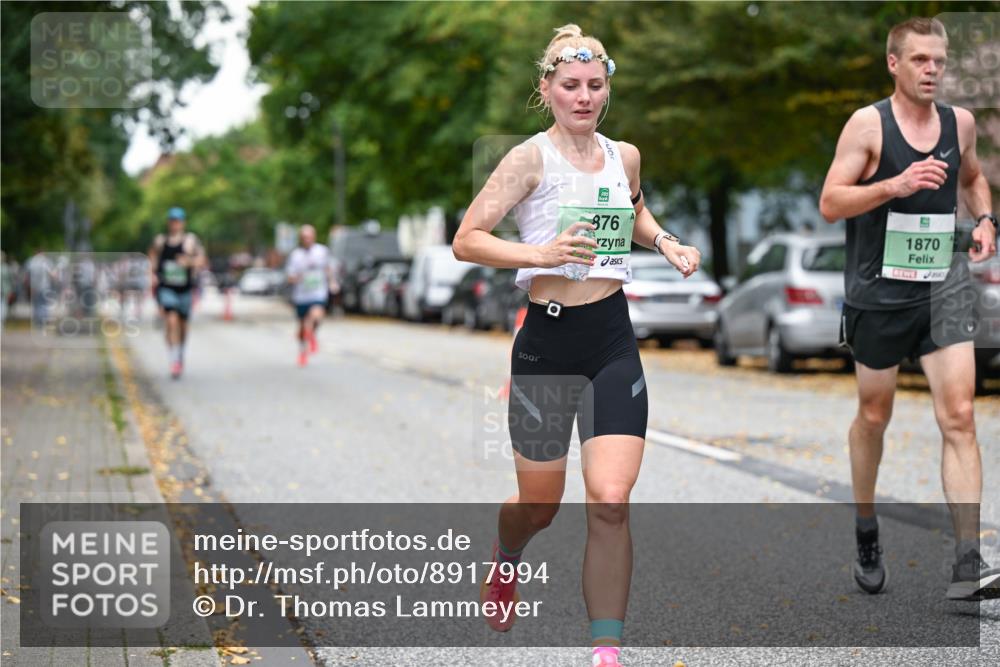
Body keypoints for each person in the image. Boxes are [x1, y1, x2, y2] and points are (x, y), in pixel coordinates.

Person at [453, 24, 701, 667]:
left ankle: (605, 650)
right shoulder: (528, 160)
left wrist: (665, 241)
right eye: (571, 86)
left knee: (611, 501)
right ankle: (506, 557)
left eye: (595, 86)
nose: (584, 97)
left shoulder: (625, 156)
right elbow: (468, 239)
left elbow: (636, 211)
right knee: (540, 506)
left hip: (612, 340)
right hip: (545, 346)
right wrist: (540, 253)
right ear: (547, 90)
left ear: (606, 89)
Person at [819, 17, 998, 601]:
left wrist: (986, 219)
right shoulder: (868, 125)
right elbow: (830, 202)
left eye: (939, 62)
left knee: (960, 415)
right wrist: (894, 185)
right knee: (874, 416)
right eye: (920, 60)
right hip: (878, 292)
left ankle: (968, 561)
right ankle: (866, 529)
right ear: (894, 63)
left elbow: (973, 179)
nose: (932, 71)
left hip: (943, 285)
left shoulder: (959, 123)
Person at [149, 207, 206, 379]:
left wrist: (188, 262)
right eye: (172, 220)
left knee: (183, 326)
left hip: (185, 289)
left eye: (178, 221)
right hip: (166, 288)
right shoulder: (160, 241)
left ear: (183, 222)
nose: (175, 224)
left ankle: (179, 353)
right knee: (171, 320)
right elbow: (151, 258)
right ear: (168, 222)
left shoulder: (190, 241)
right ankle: (174, 359)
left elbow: (202, 260)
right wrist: (152, 275)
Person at [285, 224, 332, 367]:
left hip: (318, 292)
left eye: (310, 236)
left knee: (316, 316)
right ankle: (303, 352)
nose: (307, 239)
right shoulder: (295, 255)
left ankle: (311, 335)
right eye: (304, 237)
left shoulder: (322, 251)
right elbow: (289, 276)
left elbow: (328, 268)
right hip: (301, 295)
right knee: (302, 328)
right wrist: (296, 278)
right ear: (301, 238)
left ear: (314, 237)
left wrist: (332, 282)